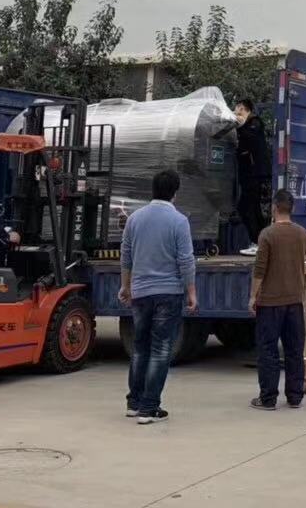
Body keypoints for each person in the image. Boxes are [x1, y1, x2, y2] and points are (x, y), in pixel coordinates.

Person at [118, 169, 198, 424]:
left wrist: (125, 286)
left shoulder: (135, 219)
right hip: (168, 293)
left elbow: (126, 255)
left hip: (140, 293)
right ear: (175, 192)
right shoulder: (179, 221)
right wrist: (191, 291)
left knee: (140, 348)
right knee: (161, 350)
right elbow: (186, 260)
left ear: (152, 189)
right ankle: (149, 407)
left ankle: (134, 403)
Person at [248, 188, 306, 411]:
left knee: (268, 350)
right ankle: (295, 397)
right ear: (292, 209)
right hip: (294, 303)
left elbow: (259, 270)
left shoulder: (267, 235)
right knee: (294, 350)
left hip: (270, 303)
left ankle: (268, 398)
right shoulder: (302, 233)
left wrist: (253, 296)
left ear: (274, 208)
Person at [234, 100, 271, 256]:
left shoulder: (255, 123)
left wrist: (241, 126)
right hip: (248, 174)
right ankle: (260, 242)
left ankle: (257, 242)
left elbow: (252, 139)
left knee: (247, 207)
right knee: (250, 207)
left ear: (246, 110)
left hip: (255, 173)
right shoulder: (243, 127)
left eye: (239, 110)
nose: (237, 113)